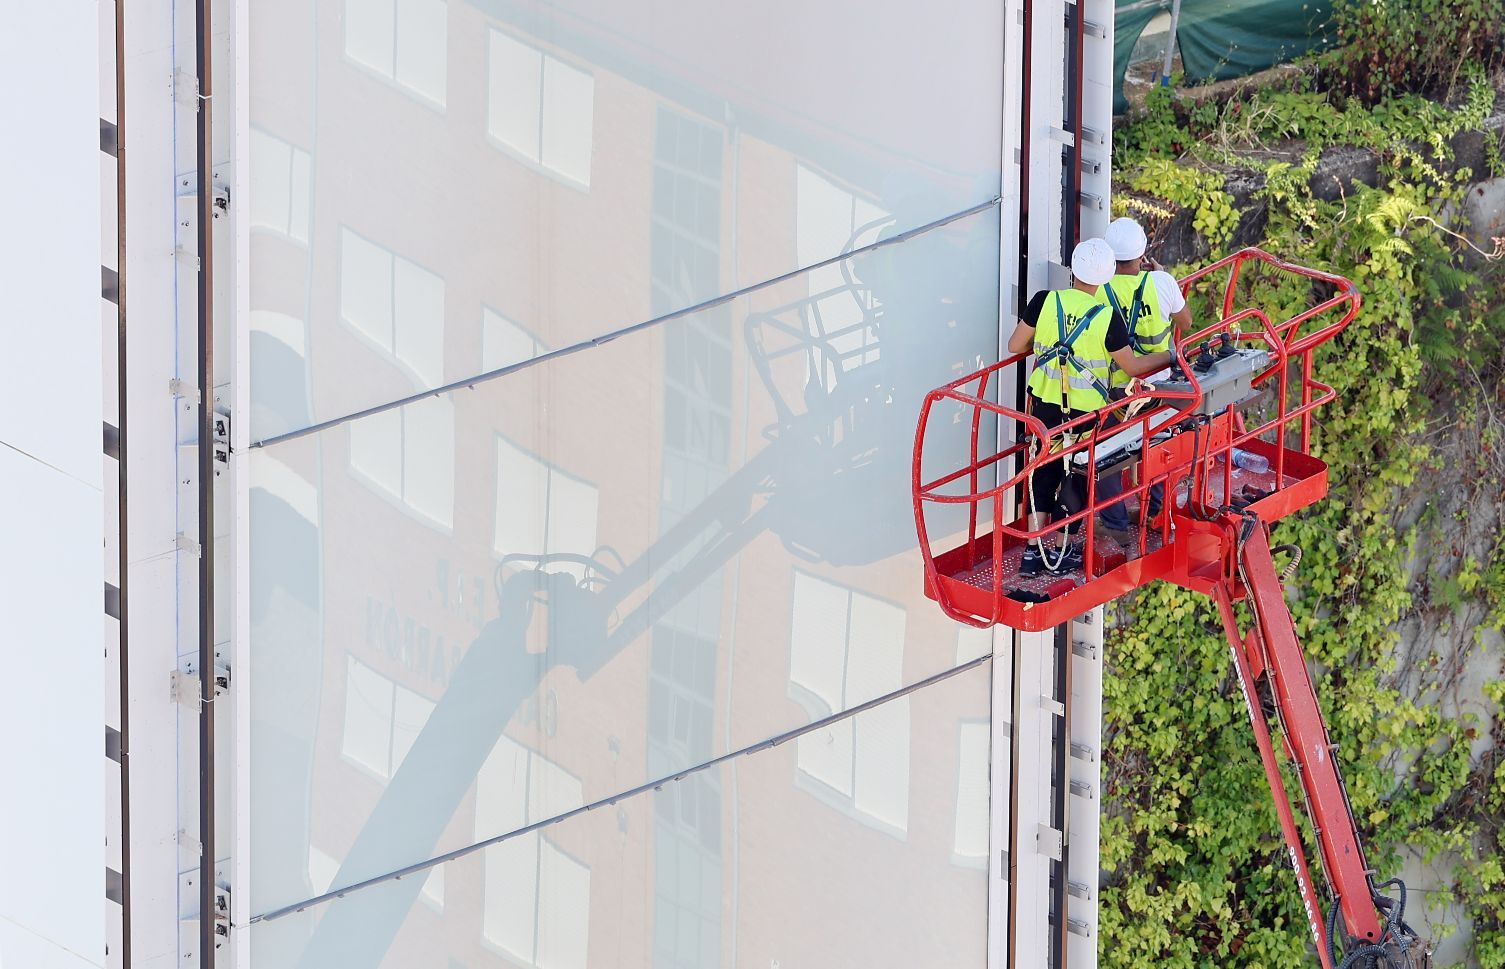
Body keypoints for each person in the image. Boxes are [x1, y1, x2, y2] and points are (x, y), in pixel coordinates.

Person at [1006, 237, 1174, 574]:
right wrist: (1172, 355)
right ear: (1106, 276)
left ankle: (1033, 550)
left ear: (1073, 269)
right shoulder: (1105, 317)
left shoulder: (1044, 302)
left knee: (1044, 469)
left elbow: (1015, 345)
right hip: (1084, 414)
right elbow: (1133, 368)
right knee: (1077, 474)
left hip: (1044, 406)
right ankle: (1063, 549)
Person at [1100, 216, 1194, 519]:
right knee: (1159, 442)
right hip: (1159, 383)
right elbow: (1186, 322)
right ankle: (1155, 509)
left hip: (1114, 388)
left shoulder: (1096, 288)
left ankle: (1115, 521)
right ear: (1142, 255)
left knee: (1108, 451)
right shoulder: (1160, 282)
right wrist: (1163, 279)